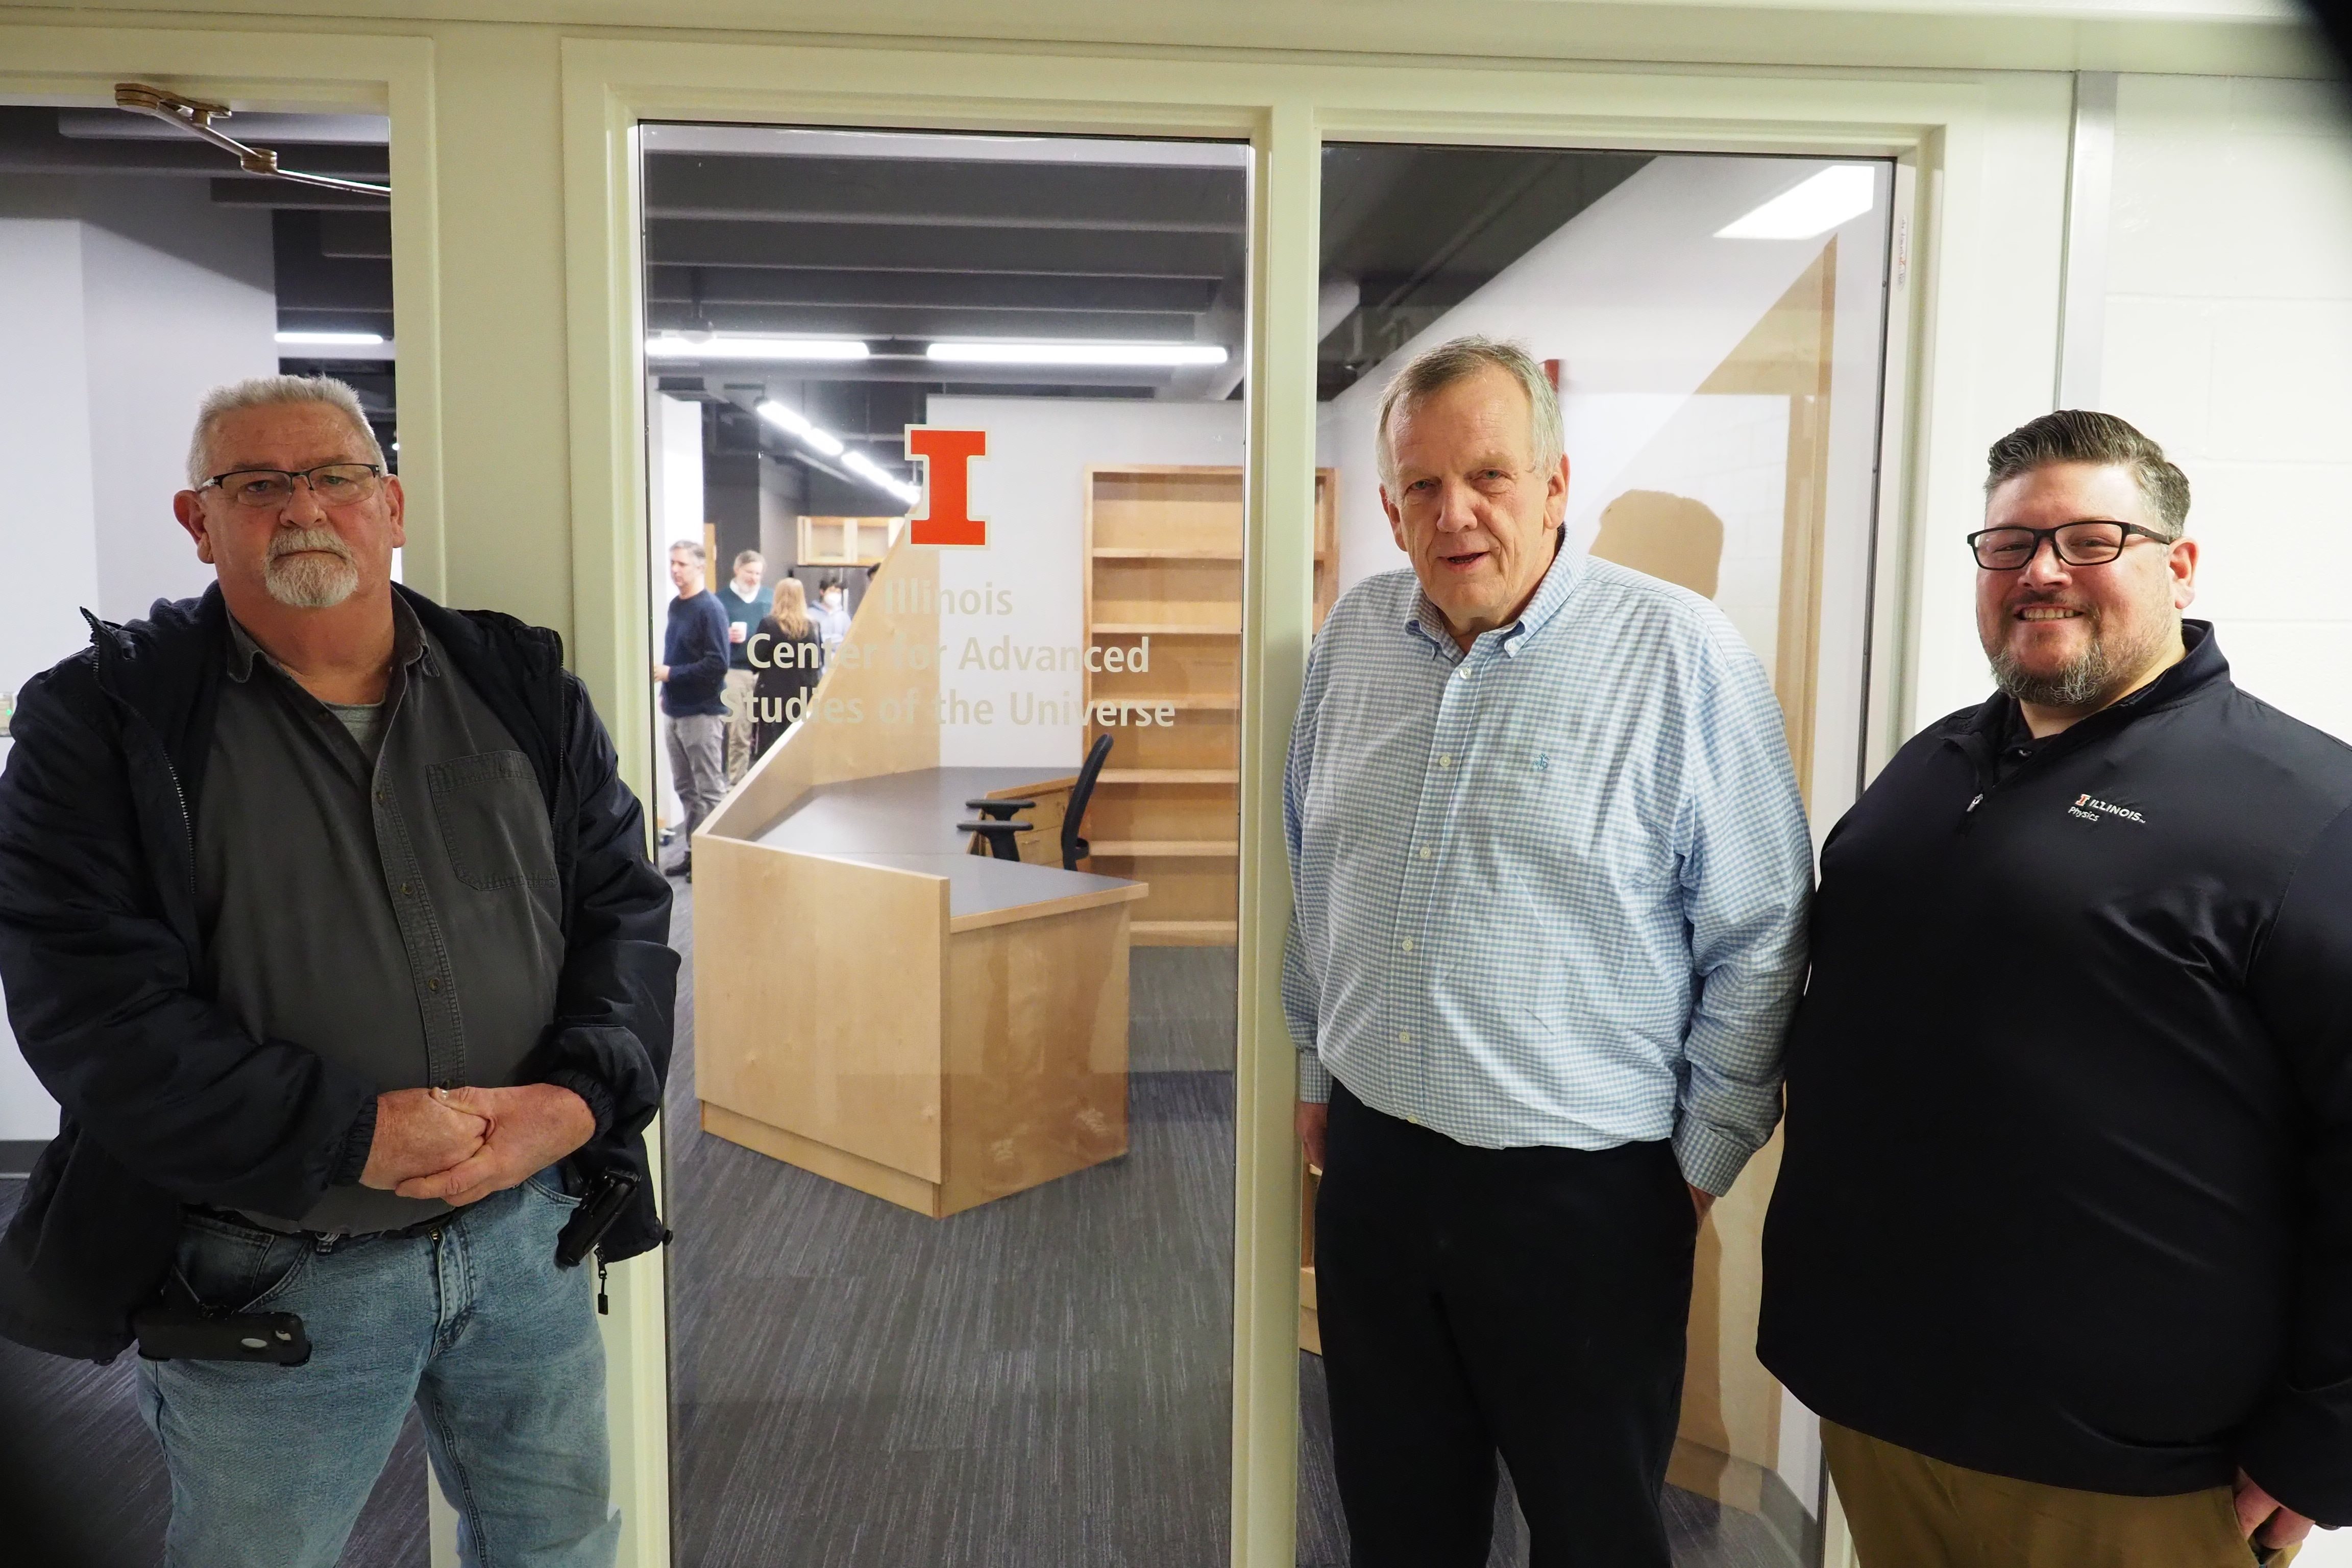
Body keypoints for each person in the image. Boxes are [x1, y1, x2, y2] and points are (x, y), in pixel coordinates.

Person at [0, 375, 677, 1568]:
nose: (302, 506)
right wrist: (343, 1132)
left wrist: (579, 1098)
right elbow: (92, 1009)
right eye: (256, 484)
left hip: (525, 1236)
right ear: (196, 520)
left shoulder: (516, 688)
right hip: (272, 1267)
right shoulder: (105, 723)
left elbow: (622, 912)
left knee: (561, 1538)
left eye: (336, 476)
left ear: (392, 504)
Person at [1760, 410, 2352, 1567]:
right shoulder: (1927, 770)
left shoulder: (2302, 809)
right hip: (1882, 1413)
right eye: (2008, 545)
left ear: (2175, 565)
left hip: (2129, 1468)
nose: (2040, 573)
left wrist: (2325, 1434)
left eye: (2089, 540)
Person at [1282, 336, 1812, 1568]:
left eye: (1490, 476)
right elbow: (1314, 865)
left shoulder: (1681, 657)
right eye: (1421, 486)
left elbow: (1762, 929)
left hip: (1583, 1195)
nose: (1454, 512)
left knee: (1593, 1530)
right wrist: (1316, 1070)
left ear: (1557, 484)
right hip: (1377, 1166)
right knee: (1399, 1518)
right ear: (1386, 507)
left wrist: (1691, 1164)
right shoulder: (1355, 636)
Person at [655, 540, 729, 879]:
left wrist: (671, 675)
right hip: (675, 709)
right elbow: (676, 652)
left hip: (701, 712)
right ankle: (694, 852)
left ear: (699, 567)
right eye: (672, 563)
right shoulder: (676, 606)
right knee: (686, 789)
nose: (675, 569)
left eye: (682, 564)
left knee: (709, 790)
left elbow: (717, 664)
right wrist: (668, 689)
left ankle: (716, 859)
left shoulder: (710, 610)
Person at [749, 577, 823, 760]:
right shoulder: (813, 626)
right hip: (804, 694)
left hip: (773, 695)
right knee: (800, 749)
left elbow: (755, 661)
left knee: (771, 749)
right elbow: (817, 662)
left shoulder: (768, 625)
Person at [715, 548, 771, 785]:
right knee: (739, 730)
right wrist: (725, 635)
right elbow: (709, 636)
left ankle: (764, 783)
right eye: (750, 572)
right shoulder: (721, 600)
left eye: (758, 573)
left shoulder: (770, 598)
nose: (754, 578)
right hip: (736, 669)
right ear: (737, 570)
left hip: (768, 671)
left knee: (768, 729)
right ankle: (736, 784)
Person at [810, 576, 852, 653]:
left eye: (838, 592)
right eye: (832, 591)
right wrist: (838, 639)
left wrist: (824, 640)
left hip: (839, 661)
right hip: (817, 661)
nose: (835, 595)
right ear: (822, 592)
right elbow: (812, 641)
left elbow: (849, 642)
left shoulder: (844, 617)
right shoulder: (810, 614)